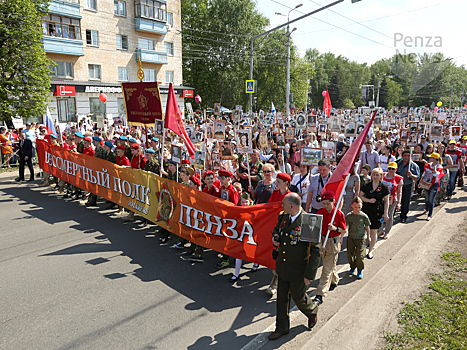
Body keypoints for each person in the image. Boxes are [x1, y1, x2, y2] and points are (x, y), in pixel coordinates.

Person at [268, 193, 321, 341]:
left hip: (299, 269)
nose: (282, 206)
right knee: (281, 299)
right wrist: (276, 237)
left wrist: (309, 275)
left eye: (284, 204)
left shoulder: (309, 221)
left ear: (292, 206)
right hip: (283, 265)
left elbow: (315, 251)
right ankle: (282, 328)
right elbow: (277, 229)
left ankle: (312, 311)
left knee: (299, 298)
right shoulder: (283, 216)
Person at [313, 190, 347, 305]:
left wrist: (335, 229)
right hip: (322, 240)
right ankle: (334, 280)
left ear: (333, 202)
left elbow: (344, 230)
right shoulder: (320, 212)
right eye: (323, 203)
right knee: (330, 264)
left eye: (328, 203)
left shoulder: (338, 214)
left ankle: (320, 294)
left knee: (326, 269)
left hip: (333, 241)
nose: (325, 206)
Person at [359, 167, 390, 259]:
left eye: (377, 175)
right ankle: (362, 247)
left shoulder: (384, 187)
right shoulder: (366, 185)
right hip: (366, 210)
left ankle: (370, 250)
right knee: (363, 231)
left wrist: (385, 213)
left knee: (373, 231)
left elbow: (386, 201)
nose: (375, 176)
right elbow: (360, 196)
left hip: (377, 211)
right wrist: (368, 200)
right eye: (374, 174)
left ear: (381, 176)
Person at [230, 192, 259, 281]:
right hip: (240, 235)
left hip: (250, 235)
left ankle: (255, 264)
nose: (244, 204)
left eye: (246, 202)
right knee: (239, 254)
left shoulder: (254, 211)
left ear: (249, 202)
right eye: (243, 202)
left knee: (253, 251)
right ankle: (236, 274)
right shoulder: (238, 210)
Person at [216, 170, 239, 268]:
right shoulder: (221, 188)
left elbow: (234, 204)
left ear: (229, 179)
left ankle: (227, 258)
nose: (220, 180)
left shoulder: (232, 190)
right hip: (223, 216)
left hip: (230, 218)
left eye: (222, 179)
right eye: (220, 178)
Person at [346, 197, 371, 279]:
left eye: (359, 207)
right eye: (356, 207)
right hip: (351, 238)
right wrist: (341, 237)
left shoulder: (364, 216)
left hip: (361, 238)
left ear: (362, 206)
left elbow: (367, 226)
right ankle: (353, 267)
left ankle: (360, 269)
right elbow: (344, 227)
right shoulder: (349, 216)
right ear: (352, 206)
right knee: (350, 254)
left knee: (360, 255)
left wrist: (368, 236)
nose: (357, 209)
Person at [379, 162, 403, 239]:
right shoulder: (382, 175)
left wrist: (398, 203)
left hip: (392, 199)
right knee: (380, 214)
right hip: (382, 198)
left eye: (393, 169)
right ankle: (380, 230)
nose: (391, 170)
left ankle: (387, 231)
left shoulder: (398, 178)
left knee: (389, 215)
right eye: (389, 168)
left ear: (396, 169)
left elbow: (399, 192)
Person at [396, 150, 420, 223]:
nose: (406, 157)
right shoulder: (397, 163)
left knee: (405, 202)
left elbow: (417, 177)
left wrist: (411, 175)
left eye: (408, 156)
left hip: (407, 185)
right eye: (405, 155)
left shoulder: (414, 166)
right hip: (397, 186)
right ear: (402, 156)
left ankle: (403, 216)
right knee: (395, 200)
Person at [420, 153, 444, 221]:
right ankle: (427, 209)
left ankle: (429, 215)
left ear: (434, 159)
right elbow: (424, 174)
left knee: (431, 199)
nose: (429, 158)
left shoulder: (440, 167)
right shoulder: (427, 165)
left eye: (431, 157)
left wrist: (435, 167)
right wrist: (420, 182)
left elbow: (435, 174)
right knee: (427, 198)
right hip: (426, 184)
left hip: (434, 185)